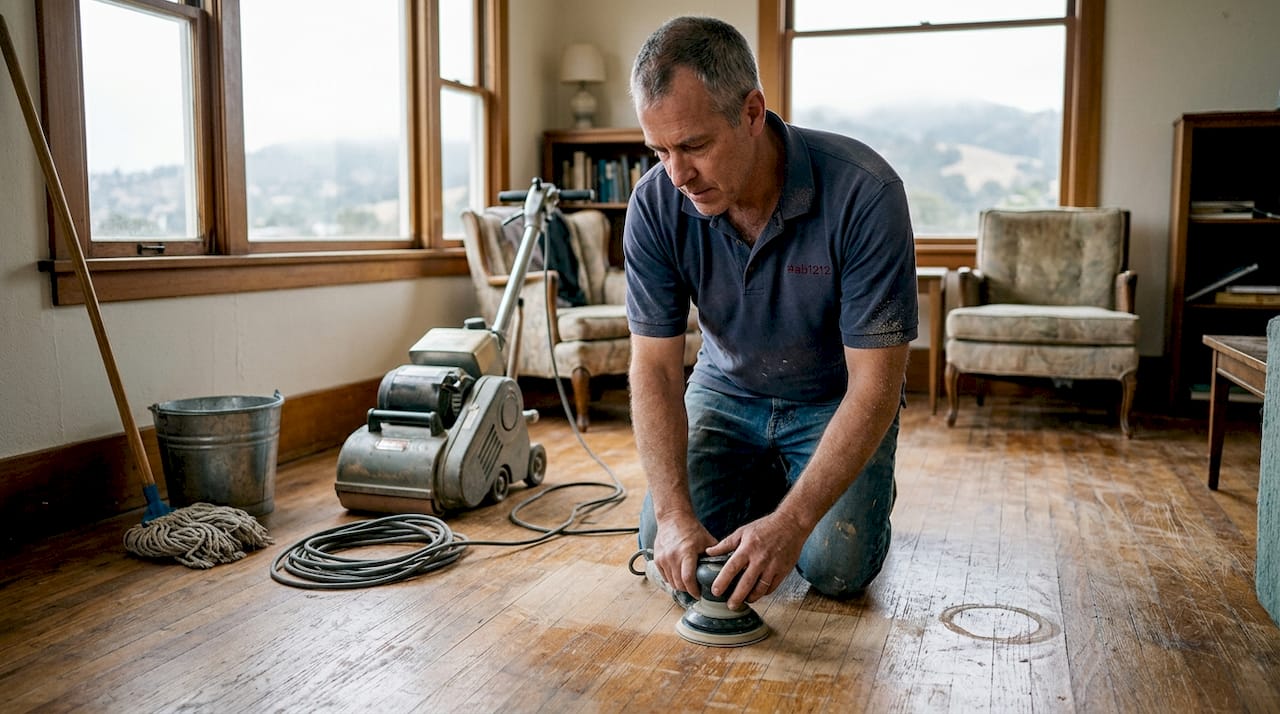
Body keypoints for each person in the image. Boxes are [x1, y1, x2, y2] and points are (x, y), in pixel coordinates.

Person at [625, 15, 918, 612]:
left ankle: (812, 488)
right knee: (667, 544)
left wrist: (792, 524)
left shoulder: (866, 193)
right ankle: (762, 482)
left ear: (753, 111)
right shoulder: (655, 203)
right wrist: (678, 515)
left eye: (694, 146)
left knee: (836, 568)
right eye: (659, 150)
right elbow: (654, 369)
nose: (677, 175)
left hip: (835, 400)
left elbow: (875, 386)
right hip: (726, 390)